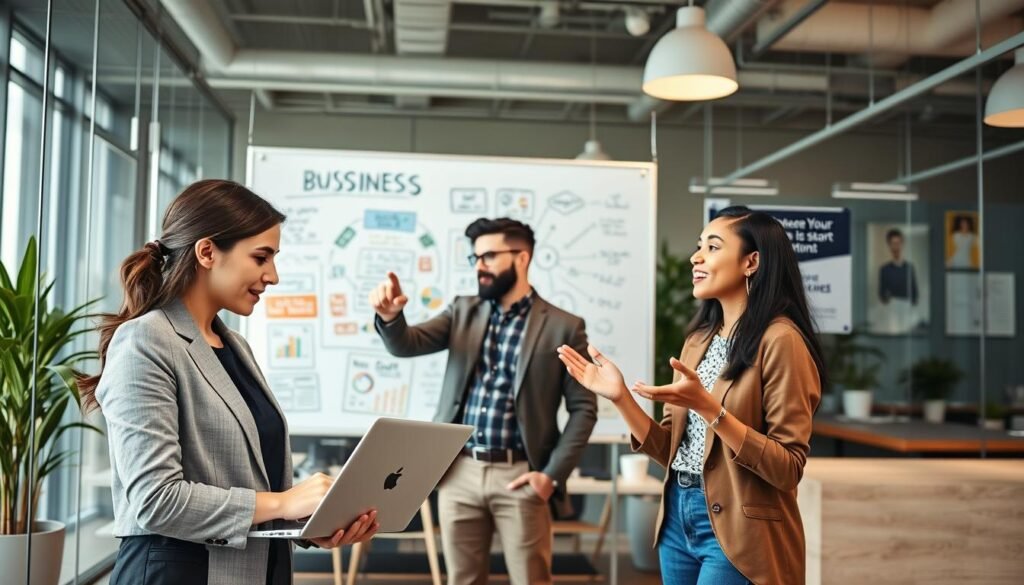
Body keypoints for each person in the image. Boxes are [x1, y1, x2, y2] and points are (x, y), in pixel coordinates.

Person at [80, 180, 378, 585]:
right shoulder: (146, 340)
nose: (272, 275)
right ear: (207, 252)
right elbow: (155, 500)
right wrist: (283, 502)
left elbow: (250, 483)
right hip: (177, 573)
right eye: (261, 257)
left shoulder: (234, 346)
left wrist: (307, 520)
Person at [557, 206, 825, 585]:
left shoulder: (781, 340)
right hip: (678, 518)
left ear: (751, 262)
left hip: (740, 529)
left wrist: (713, 412)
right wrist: (620, 398)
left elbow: (788, 466)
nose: (695, 257)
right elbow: (672, 448)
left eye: (713, 247)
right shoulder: (698, 341)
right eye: (699, 246)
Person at [370, 217, 597, 585]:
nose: (480, 266)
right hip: (459, 472)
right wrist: (390, 316)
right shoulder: (463, 310)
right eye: (475, 258)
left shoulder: (563, 326)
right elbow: (406, 344)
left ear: (521, 258)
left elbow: (583, 409)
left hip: (520, 474)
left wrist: (550, 477)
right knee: (463, 579)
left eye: (489, 256)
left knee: (532, 579)